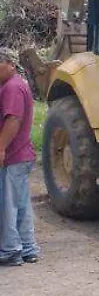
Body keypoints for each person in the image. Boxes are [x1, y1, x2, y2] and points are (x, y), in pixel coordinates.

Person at [0, 48, 39, 267]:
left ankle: (10, 250)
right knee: (21, 203)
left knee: (8, 204)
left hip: (14, 155)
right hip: (22, 154)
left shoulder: (12, 88)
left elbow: (13, 120)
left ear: (10, 65)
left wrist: (1, 148)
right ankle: (28, 248)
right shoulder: (16, 84)